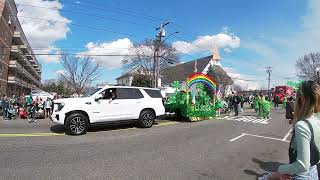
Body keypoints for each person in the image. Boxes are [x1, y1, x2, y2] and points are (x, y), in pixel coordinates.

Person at [265, 81, 320, 180]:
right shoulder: (316, 120)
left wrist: (280, 169)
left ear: (301, 99)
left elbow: (302, 165)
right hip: (314, 172)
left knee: (271, 176)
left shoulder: (302, 125)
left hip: (301, 175)